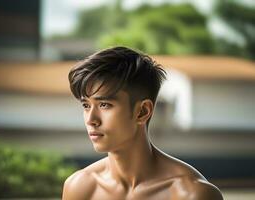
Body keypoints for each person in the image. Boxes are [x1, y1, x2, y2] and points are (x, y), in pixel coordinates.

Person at [63, 46, 223, 200]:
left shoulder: (192, 194)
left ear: (142, 112)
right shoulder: (80, 188)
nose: (91, 120)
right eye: (86, 105)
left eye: (105, 105)